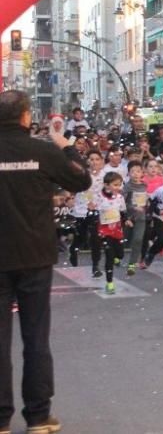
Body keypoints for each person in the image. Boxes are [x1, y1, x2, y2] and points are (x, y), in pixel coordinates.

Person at [1, 91, 91, 434]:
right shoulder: (41, 151)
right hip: (35, 255)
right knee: (36, 338)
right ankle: (38, 417)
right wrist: (64, 145)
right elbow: (81, 179)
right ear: (26, 118)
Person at [123, 161, 148, 275]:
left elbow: (147, 201)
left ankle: (132, 264)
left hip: (141, 218)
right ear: (128, 173)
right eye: (133, 171)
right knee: (123, 240)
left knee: (138, 240)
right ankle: (117, 257)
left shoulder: (145, 186)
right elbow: (121, 203)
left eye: (138, 171)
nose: (136, 174)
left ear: (142, 173)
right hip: (128, 218)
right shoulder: (127, 187)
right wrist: (133, 207)